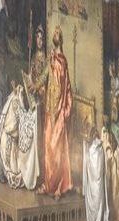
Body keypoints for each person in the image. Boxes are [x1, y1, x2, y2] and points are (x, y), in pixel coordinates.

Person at [40, 25, 72, 198]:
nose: (55, 35)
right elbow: (45, 76)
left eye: (57, 34)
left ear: (61, 39)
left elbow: (65, 86)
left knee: (57, 148)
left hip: (58, 110)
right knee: (48, 148)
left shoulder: (62, 61)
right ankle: (48, 185)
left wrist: (63, 109)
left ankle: (58, 187)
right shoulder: (51, 58)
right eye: (54, 33)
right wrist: (35, 85)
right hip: (49, 109)